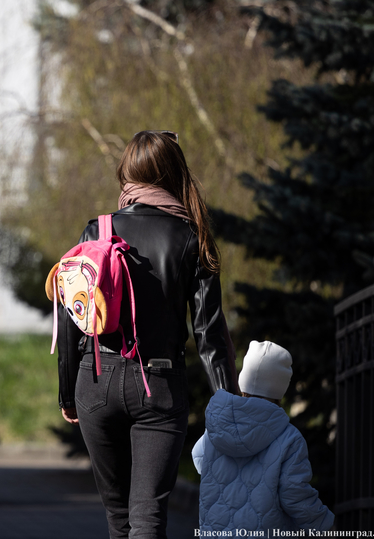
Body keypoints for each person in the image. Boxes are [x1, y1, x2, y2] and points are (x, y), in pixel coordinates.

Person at [54, 130, 239, 538]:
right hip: (159, 384)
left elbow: (72, 318)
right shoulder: (193, 236)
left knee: (118, 518)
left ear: (128, 174)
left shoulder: (97, 231)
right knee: (148, 519)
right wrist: (229, 403)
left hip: (96, 381)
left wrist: (68, 393)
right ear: (174, 174)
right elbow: (208, 333)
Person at [193, 341, 334, 533]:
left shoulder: (218, 426)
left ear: (242, 387)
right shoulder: (289, 438)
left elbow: (199, 459)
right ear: (279, 394)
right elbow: (294, 495)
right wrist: (324, 525)